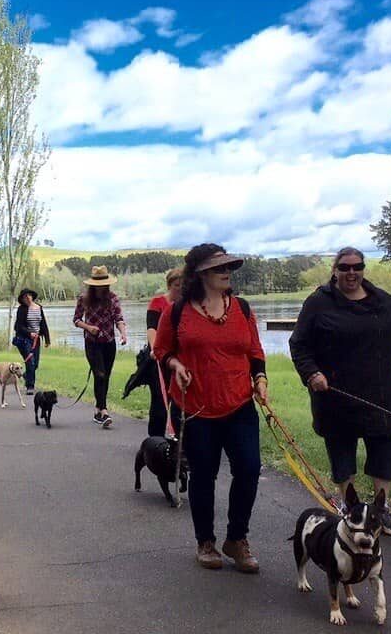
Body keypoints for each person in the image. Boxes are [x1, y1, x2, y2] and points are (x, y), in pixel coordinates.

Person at [288, 247, 391, 538]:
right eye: (345, 267)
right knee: (342, 452)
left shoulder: (380, 299)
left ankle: (381, 509)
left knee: (386, 451)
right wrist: (312, 373)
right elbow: (299, 344)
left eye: (357, 267)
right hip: (336, 395)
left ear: (363, 269)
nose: (351, 273)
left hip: (381, 392)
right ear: (335, 270)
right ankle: (349, 507)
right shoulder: (319, 302)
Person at [153, 244, 266, 573]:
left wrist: (260, 379)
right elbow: (161, 350)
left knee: (248, 469)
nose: (226, 272)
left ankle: (237, 539)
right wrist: (175, 364)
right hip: (195, 407)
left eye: (229, 267)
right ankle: (206, 542)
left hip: (240, 403)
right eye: (219, 268)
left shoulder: (242, 309)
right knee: (204, 475)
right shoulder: (177, 312)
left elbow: (255, 352)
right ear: (200, 274)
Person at [73, 265, 128, 428]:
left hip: (109, 343)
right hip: (92, 343)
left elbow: (119, 318)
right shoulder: (83, 299)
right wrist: (88, 327)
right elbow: (76, 320)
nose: (101, 288)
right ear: (92, 285)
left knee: (106, 376)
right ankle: (104, 411)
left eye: (104, 284)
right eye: (98, 285)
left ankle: (98, 409)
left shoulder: (113, 298)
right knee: (100, 374)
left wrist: (123, 334)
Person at [146, 267, 184, 437]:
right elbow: (152, 328)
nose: (181, 289)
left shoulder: (188, 306)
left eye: (184, 285)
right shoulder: (158, 303)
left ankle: (179, 439)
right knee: (160, 402)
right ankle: (155, 441)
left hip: (180, 359)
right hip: (159, 358)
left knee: (179, 401)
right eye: (177, 285)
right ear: (169, 285)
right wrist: (155, 349)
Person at [12, 288, 51, 395]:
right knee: (30, 362)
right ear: (22, 299)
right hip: (25, 339)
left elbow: (43, 324)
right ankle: (30, 386)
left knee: (36, 364)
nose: (27, 298)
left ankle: (26, 376)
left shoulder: (39, 308)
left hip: (36, 339)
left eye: (28, 295)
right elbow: (19, 327)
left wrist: (47, 339)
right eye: (24, 297)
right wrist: (29, 333)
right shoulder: (21, 309)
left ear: (32, 296)